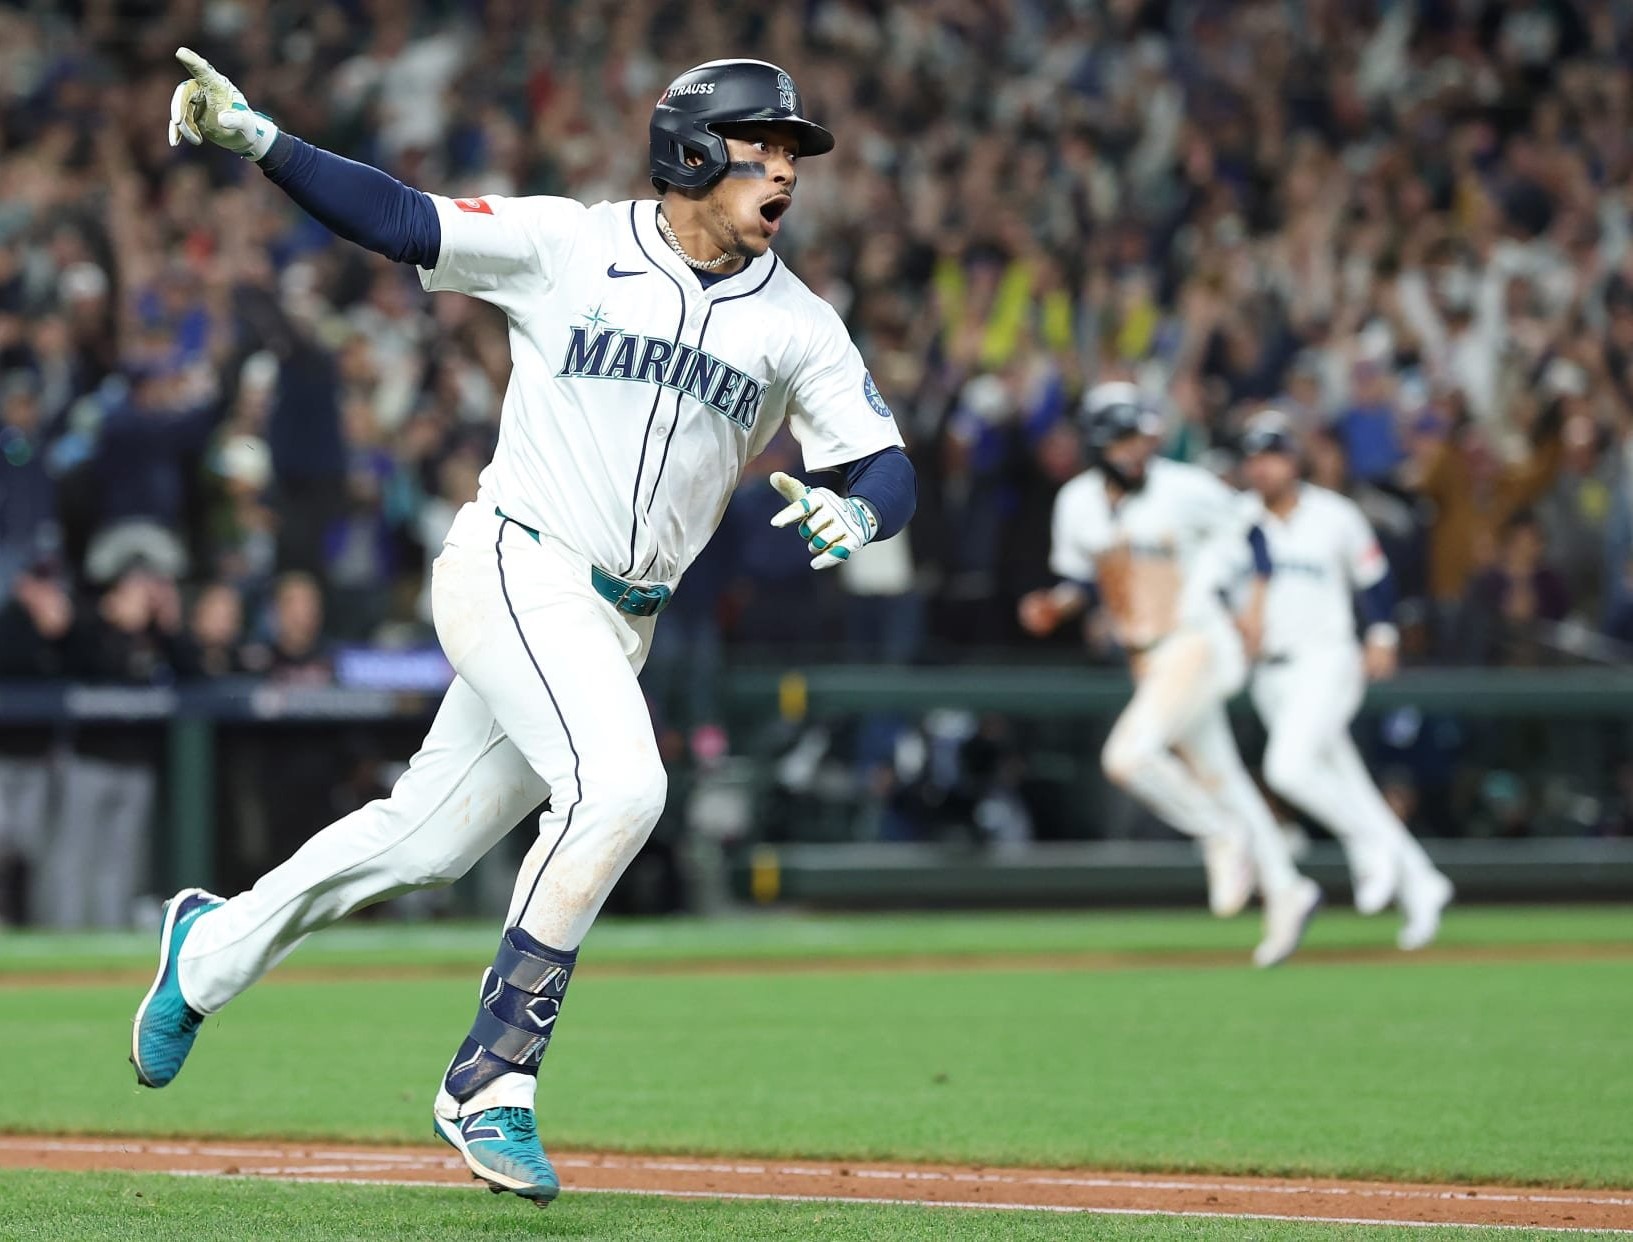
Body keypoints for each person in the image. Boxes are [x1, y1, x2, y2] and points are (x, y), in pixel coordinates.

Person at [131, 50, 916, 1208]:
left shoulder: (795, 321)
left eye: (795, 150)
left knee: (425, 841)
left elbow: (883, 462)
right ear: (693, 151)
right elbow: (403, 219)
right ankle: (491, 1078)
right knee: (622, 787)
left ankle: (207, 951)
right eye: (767, 145)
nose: (788, 169)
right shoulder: (569, 243)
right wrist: (262, 142)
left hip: (621, 624)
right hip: (514, 565)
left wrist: (858, 509)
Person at [1017, 383, 1320, 967]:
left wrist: (1254, 604)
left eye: (1142, 436)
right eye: (1124, 438)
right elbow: (1084, 579)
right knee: (1222, 776)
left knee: (1126, 758)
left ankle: (1219, 836)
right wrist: (1058, 606)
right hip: (1147, 657)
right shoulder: (1077, 504)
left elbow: (1254, 531)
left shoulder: (1183, 487)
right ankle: (1288, 890)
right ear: (1100, 441)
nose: (1137, 449)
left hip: (1199, 640)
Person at [1235, 413, 1454, 950]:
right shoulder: (1239, 519)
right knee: (1348, 783)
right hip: (1269, 673)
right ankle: (1423, 883)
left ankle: (1370, 845)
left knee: (1287, 769)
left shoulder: (1334, 515)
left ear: (1294, 459)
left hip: (1328, 660)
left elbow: (1376, 581)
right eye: (1256, 457)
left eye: (1274, 454)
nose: (1264, 466)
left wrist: (1382, 633)